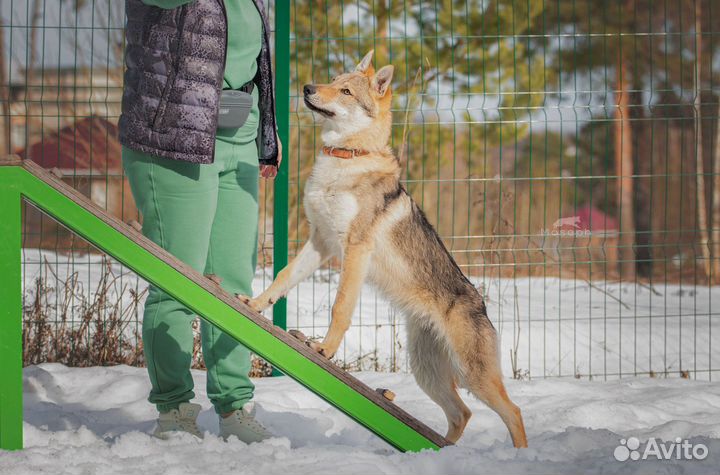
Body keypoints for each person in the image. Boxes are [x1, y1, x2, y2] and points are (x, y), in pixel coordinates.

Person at [118, 0, 281, 443]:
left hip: (238, 137)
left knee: (233, 283)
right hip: (173, 137)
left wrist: (268, 131)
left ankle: (233, 405)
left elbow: (255, 59)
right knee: (178, 281)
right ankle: (173, 408)